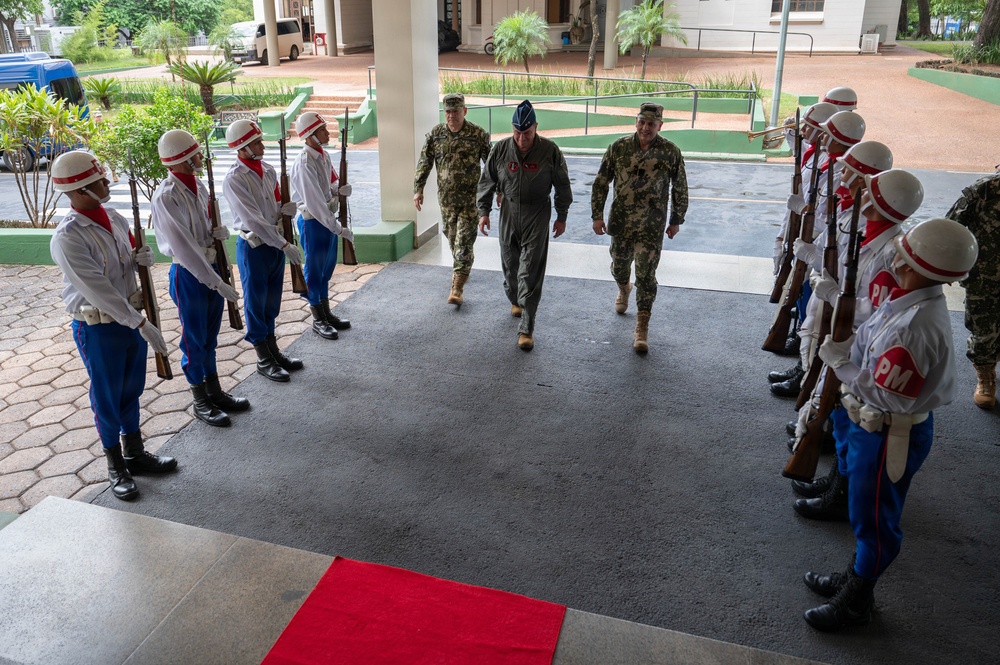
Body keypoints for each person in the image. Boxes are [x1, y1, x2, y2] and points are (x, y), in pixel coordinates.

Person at [802, 217, 978, 631]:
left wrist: (842, 367)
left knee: (876, 522)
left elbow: (888, 394)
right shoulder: (908, 303)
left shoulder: (915, 326)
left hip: (888, 432)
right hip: (873, 425)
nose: (896, 260)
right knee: (864, 513)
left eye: (904, 257)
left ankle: (857, 601)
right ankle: (855, 576)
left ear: (918, 266)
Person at [791, 168, 926, 521]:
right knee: (841, 418)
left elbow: (879, 309)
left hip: (863, 346)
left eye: (870, 193)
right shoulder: (872, 238)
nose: (861, 195)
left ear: (878, 205)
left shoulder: (888, 253)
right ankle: (837, 480)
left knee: (851, 420)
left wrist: (834, 295)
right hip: (853, 341)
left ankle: (842, 493)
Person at [49, 150, 177, 501]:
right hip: (99, 326)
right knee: (107, 396)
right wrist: (141, 323)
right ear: (79, 190)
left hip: (130, 319)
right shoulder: (68, 237)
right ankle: (115, 465)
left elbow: (124, 264)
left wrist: (139, 259)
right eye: (99, 181)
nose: (106, 183)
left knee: (131, 389)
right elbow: (99, 290)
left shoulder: (116, 218)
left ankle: (135, 452)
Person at [152, 129, 248, 428]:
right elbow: (183, 247)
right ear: (182, 157)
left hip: (211, 268)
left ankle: (214, 390)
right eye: (195, 153)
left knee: (209, 337)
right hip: (190, 275)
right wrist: (215, 281)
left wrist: (216, 234)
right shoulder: (167, 196)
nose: (200, 157)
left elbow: (202, 229)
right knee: (194, 340)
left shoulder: (198, 185)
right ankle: (200, 399)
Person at [591, 102, 688, 353]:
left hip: (651, 226)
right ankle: (623, 287)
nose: (645, 128)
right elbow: (601, 182)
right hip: (621, 223)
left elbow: (680, 187)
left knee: (646, 275)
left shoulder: (670, 152)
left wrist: (676, 220)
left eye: (651, 124)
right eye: (642, 122)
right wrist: (597, 216)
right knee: (619, 267)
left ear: (660, 126)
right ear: (636, 122)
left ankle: (642, 325)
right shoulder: (618, 147)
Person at [477, 100, 573, 351]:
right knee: (510, 267)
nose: (521, 139)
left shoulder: (549, 151)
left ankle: (527, 326)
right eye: (517, 133)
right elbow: (487, 180)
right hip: (509, 212)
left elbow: (563, 185)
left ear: (536, 127)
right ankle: (515, 298)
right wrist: (484, 212)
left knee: (530, 270)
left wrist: (561, 216)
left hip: (537, 213)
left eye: (527, 133)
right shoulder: (501, 149)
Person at [223, 119, 305, 383]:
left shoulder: (268, 170)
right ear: (243, 147)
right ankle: (263, 357)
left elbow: (276, 203)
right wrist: (283, 244)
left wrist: (285, 210)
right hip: (255, 246)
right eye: (256, 142)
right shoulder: (235, 179)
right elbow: (253, 219)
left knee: (271, 300)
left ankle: (273, 350)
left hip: (275, 244)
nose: (262, 145)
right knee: (255, 302)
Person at [413, 93, 491, 305]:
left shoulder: (477, 135)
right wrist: (418, 189)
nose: (451, 116)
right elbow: (424, 162)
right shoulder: (436, 135)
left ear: (464, 111)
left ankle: (457, 287)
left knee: (463, 243)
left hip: (470, 202)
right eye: (447, 112)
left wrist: (499, 191)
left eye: (455, 111)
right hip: (446, 202)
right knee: (452, 237)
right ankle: (462, 266)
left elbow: (492, 166)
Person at [289, 111, 354, 340]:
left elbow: (330, 183)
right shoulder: (305, 163)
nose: (327, 133)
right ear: (310, 134)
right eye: (322, 130)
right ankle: (318, 318)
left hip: (326, 219)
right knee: (314, 271)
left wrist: (339, 189)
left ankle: (326, 312)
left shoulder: (322, 156)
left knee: (326, 268)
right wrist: (338, 228)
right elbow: (315, 203)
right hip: (314, 222)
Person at [946, 169, 1000, 409]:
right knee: (983, 329)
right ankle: (985, 375)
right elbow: (951, 226)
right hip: (984, 278)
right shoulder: (986, 189)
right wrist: (948, 265)